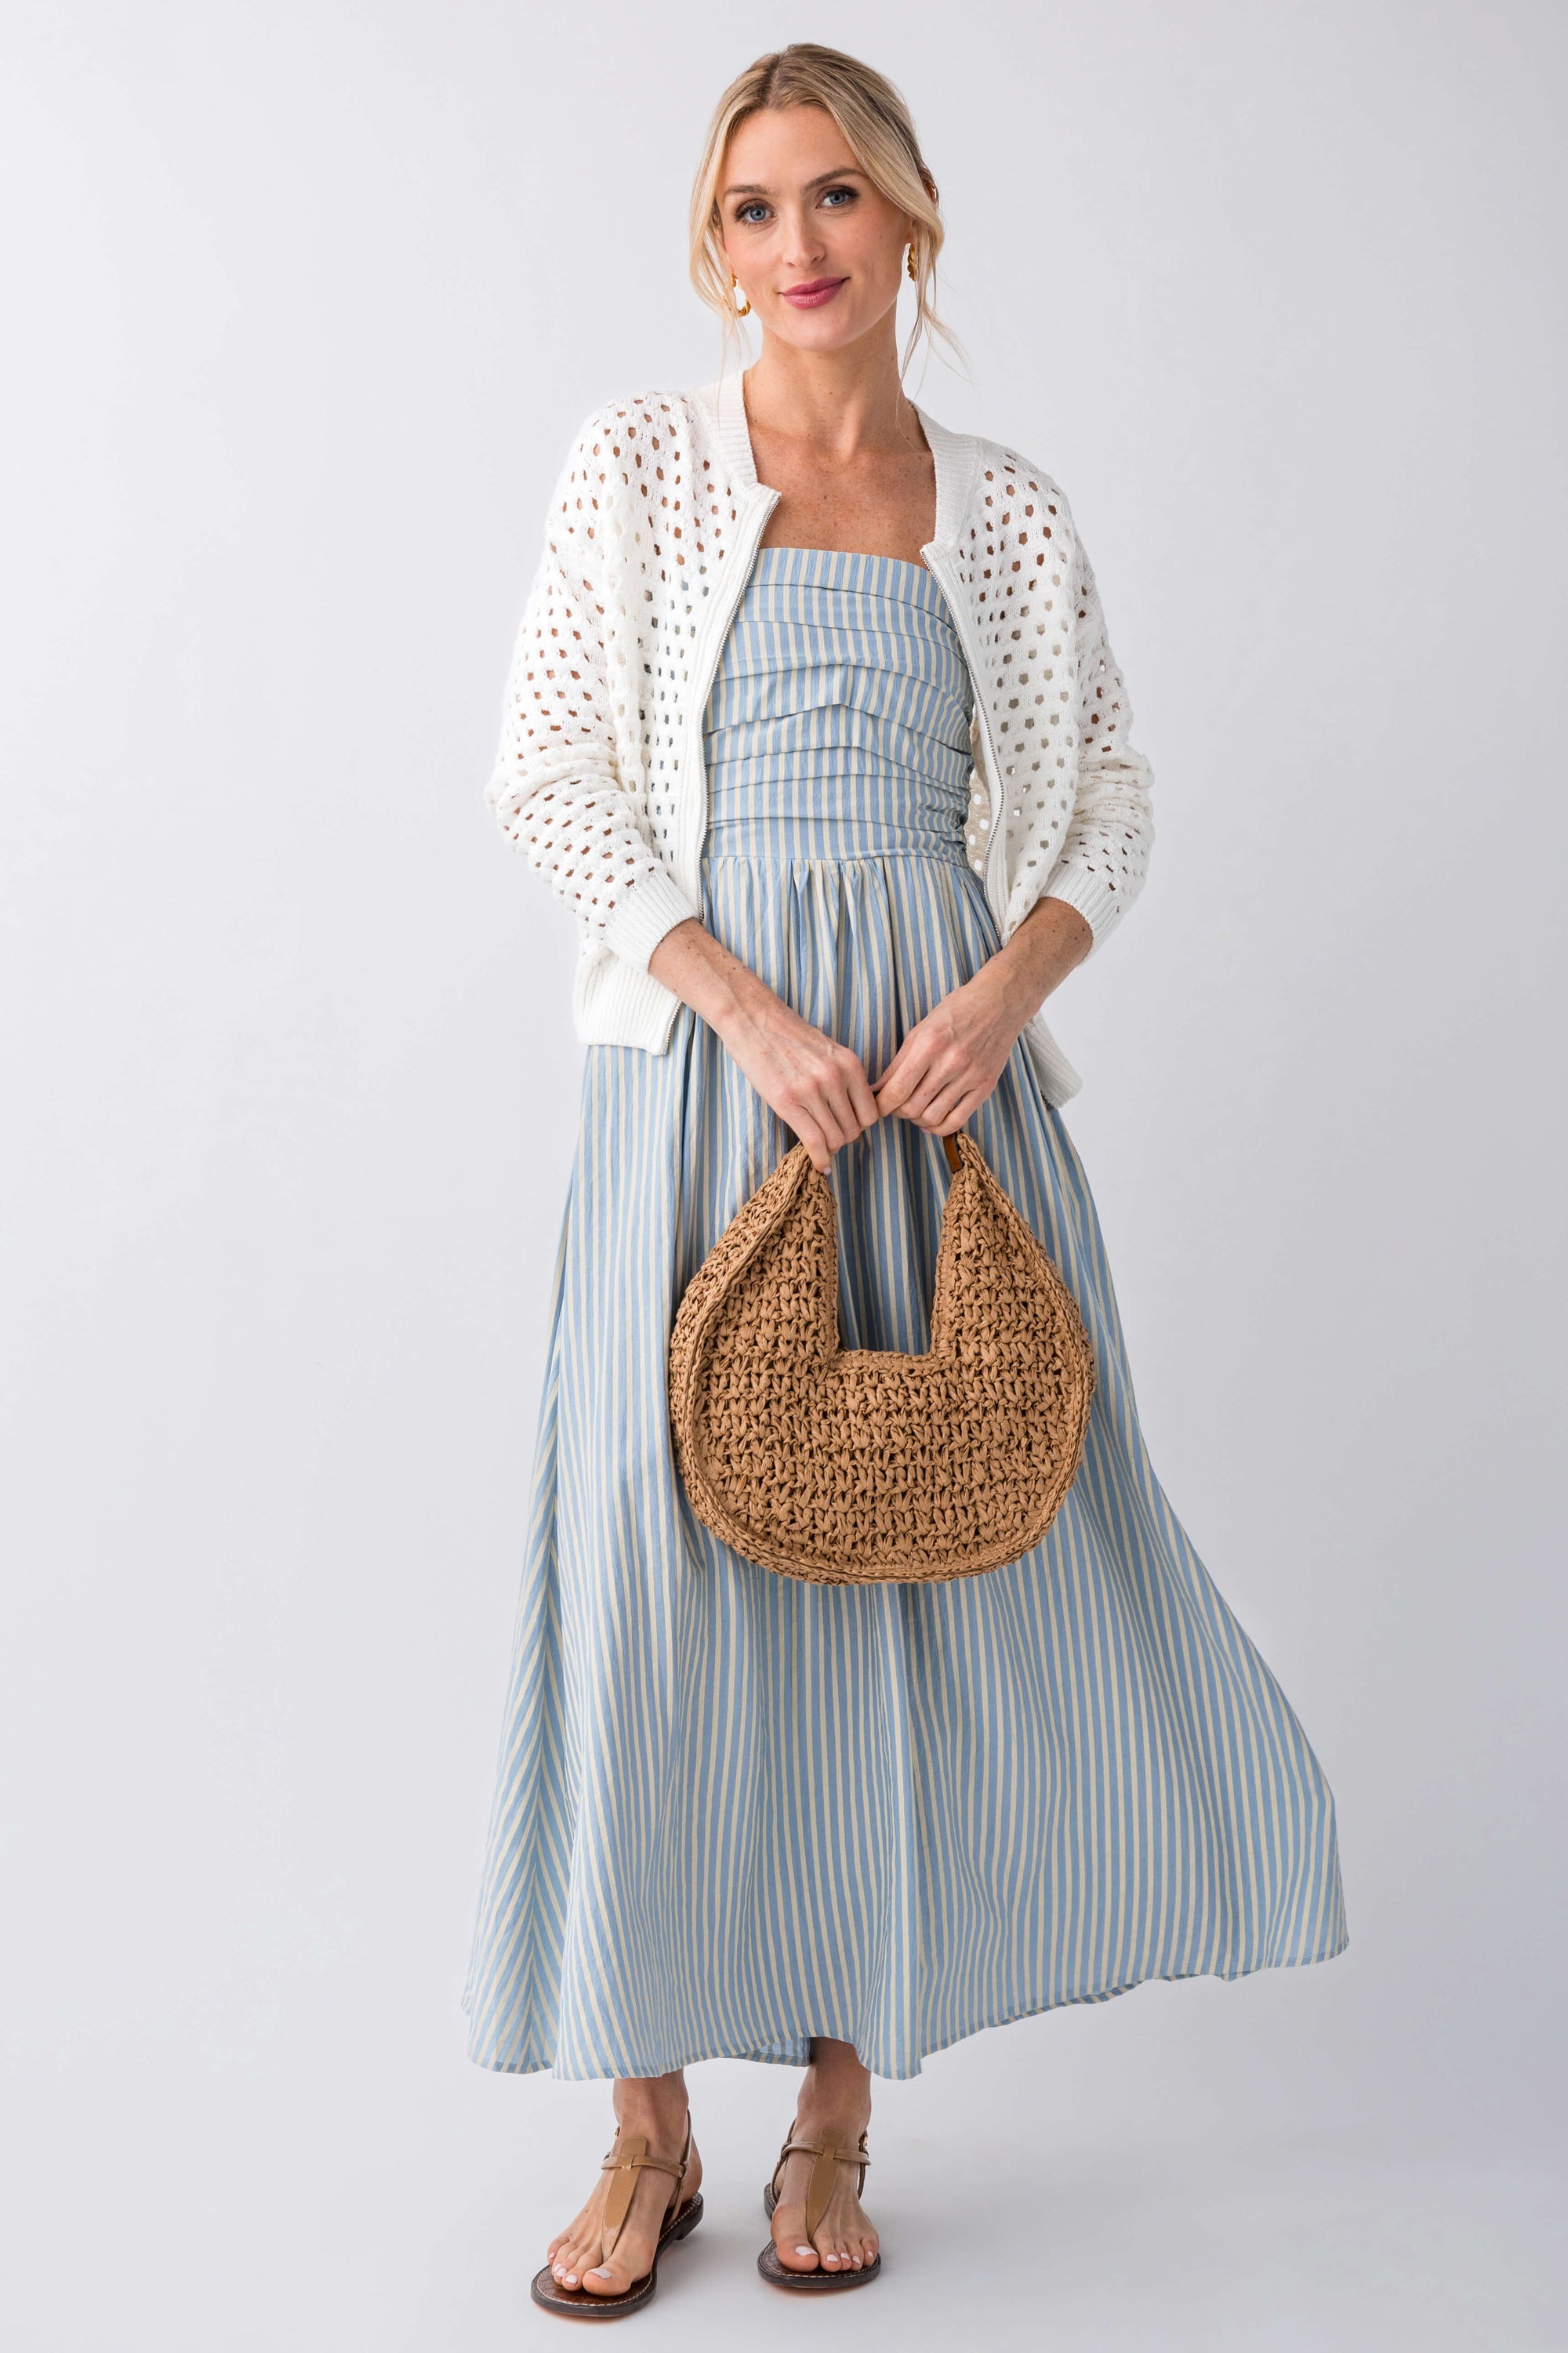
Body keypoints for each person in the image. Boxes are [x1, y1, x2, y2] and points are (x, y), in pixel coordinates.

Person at [463, 42, 1347, 2320]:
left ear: (912, 215)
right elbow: (549, 775)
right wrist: (742, 1012)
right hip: (707, 1084)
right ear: (715, 246)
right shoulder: (639, 466)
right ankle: (646, 2125)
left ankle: (839, 2106)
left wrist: (1004, 994)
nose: (800, 244)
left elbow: (1107, 803)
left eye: (837, 195)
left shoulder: (1010, 510)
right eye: (754, 208)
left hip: (938, 1105)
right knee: (652, 1573)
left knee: (902, 1567)